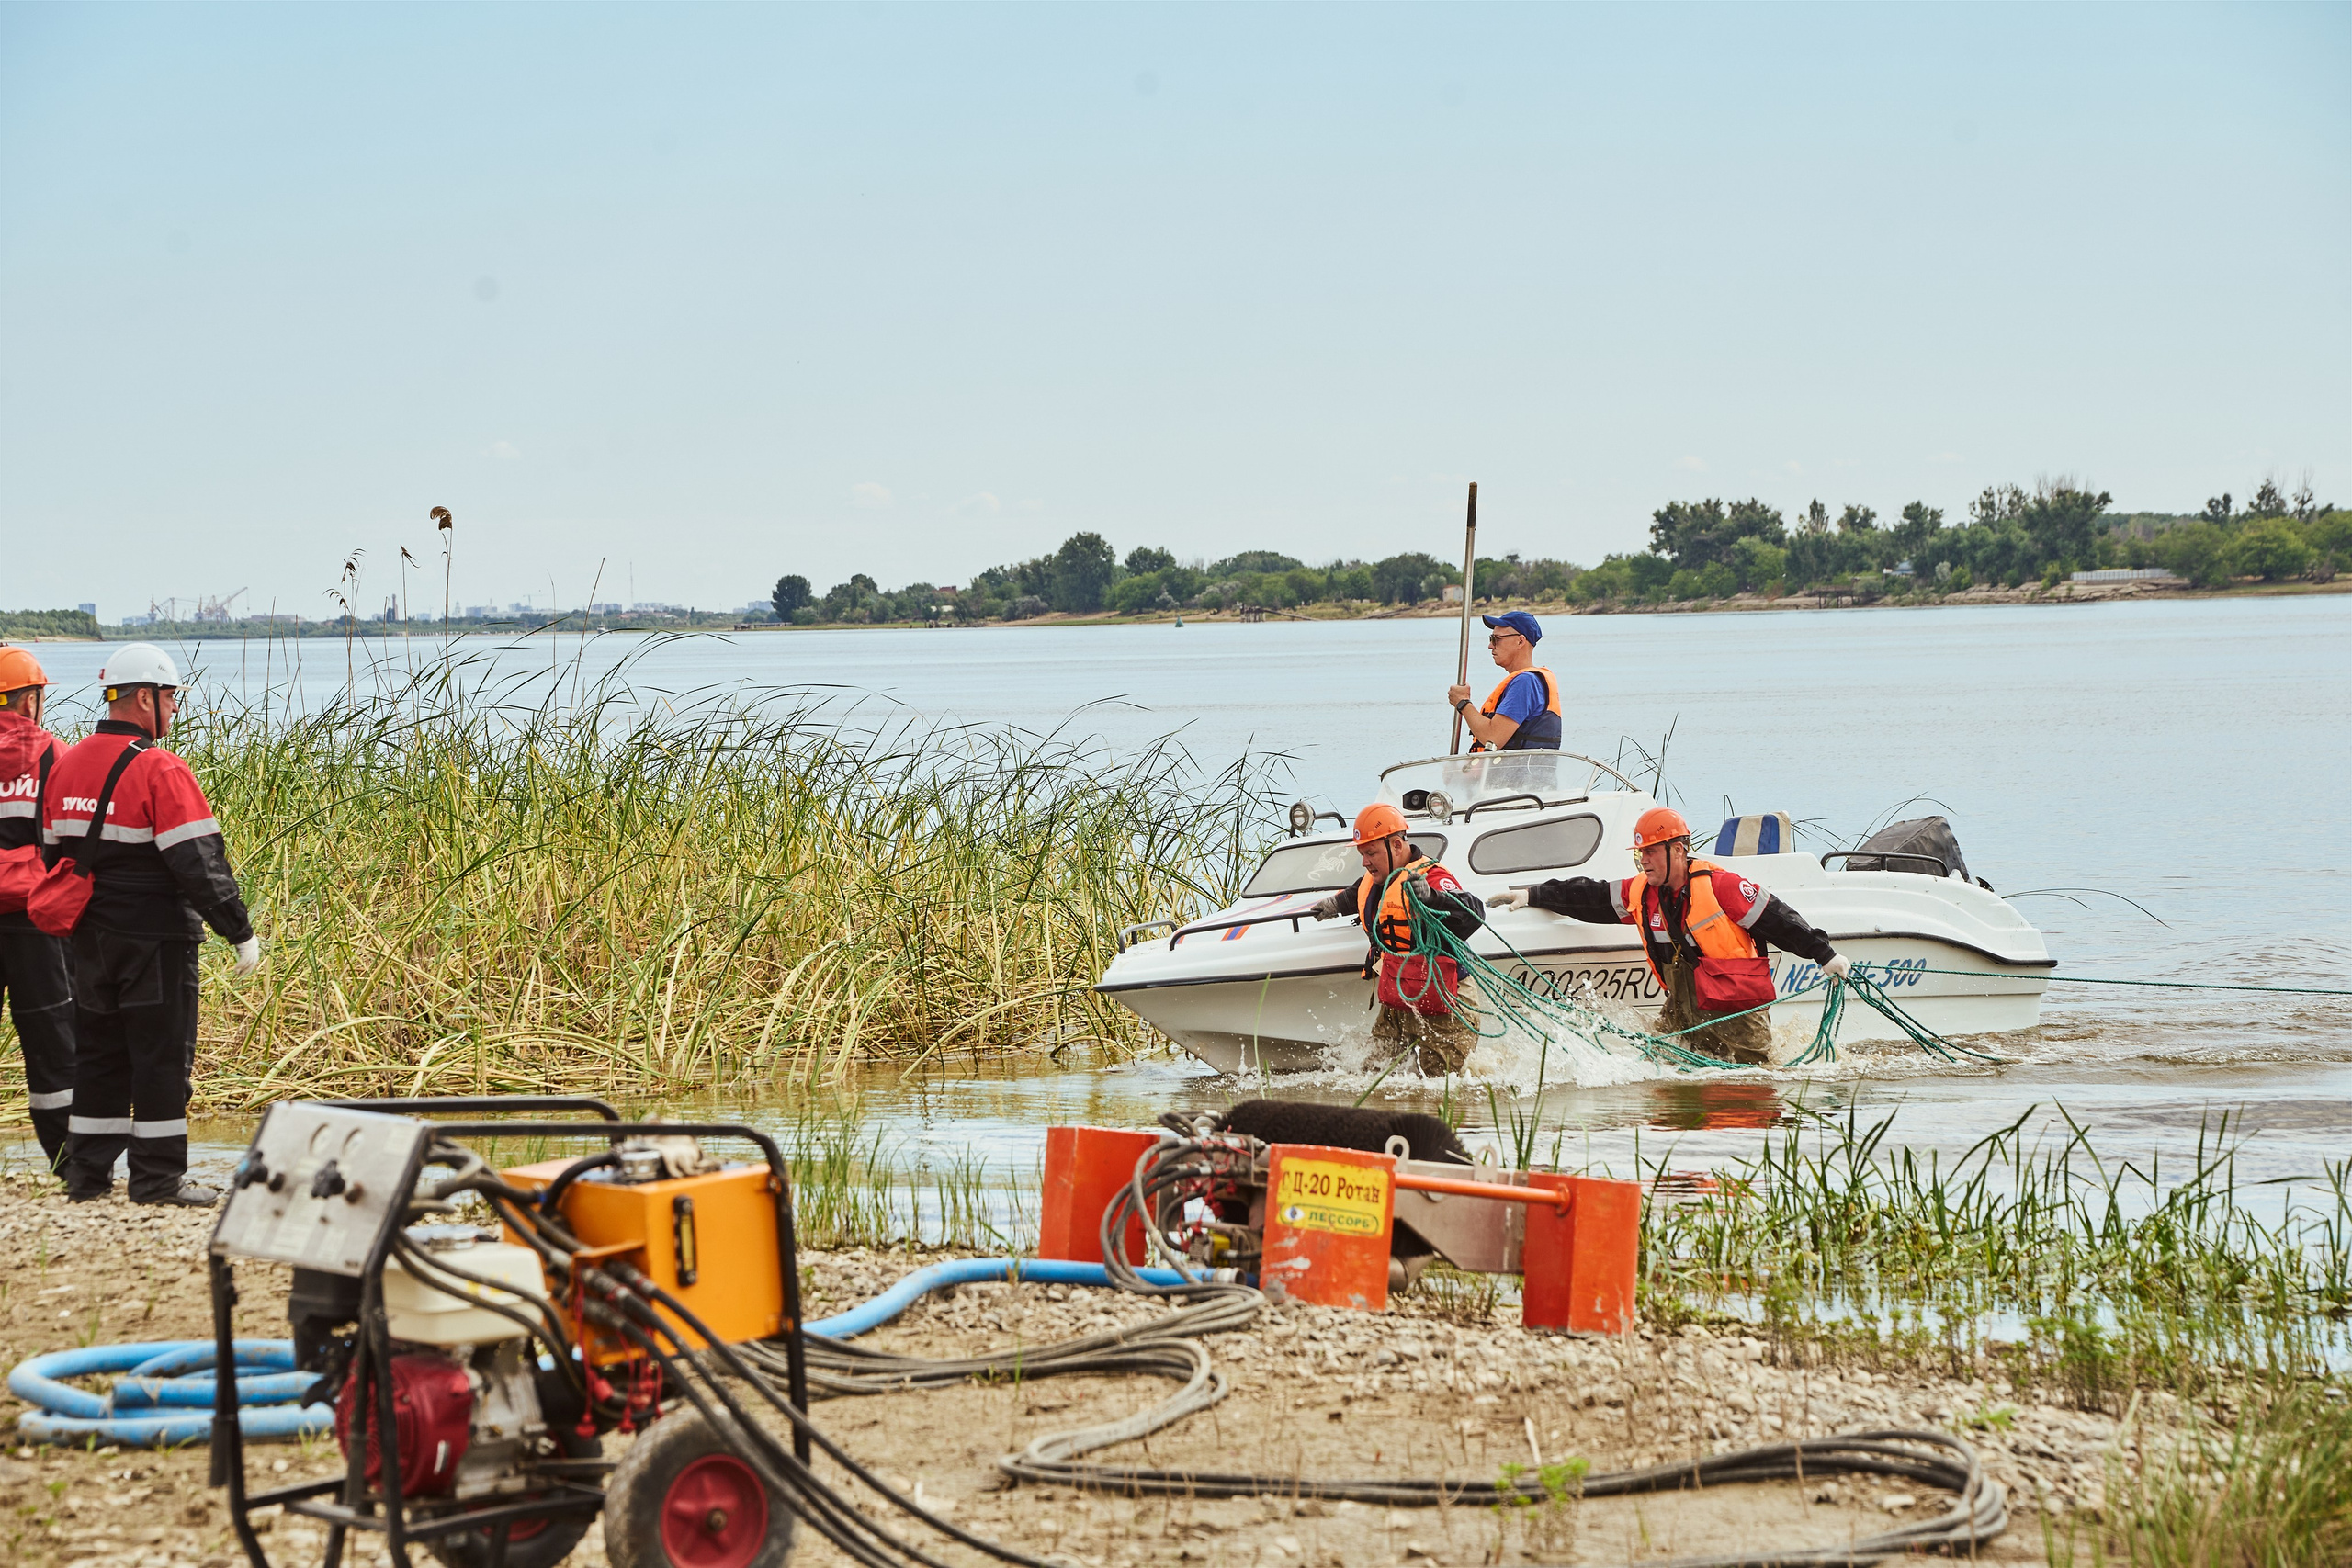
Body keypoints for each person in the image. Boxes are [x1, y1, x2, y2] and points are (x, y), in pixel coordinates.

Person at [41, 644, 258, 1206]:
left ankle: (87, 1178)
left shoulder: (66, 764)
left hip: (86, 937)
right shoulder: (160, 767)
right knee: (161, 1058)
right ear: (144, 698)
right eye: (171, 698)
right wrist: (239, 930)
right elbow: (199, 861)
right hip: (155, 939)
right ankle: (157, 1180)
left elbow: (50, 856)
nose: (176, 709)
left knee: (99, 1055)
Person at [1489, 806, 1851, 1065]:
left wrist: (1825, 955)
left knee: (1754, 1082)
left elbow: (1780, 920)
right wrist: (1533, 895)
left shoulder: (1724, 887)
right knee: (1660, 1063)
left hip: (1736, 1011)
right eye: (1639, 855)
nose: (1644, 861)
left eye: (1650, 852)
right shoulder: (1641, 892)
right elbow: (1592, 896)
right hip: (1683, 1006)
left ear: (1677, 850)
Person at [1311, 804, 1487, 1076]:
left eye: (1370, 853)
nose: (1365, 861)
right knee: (1375, 1073)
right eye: (1361, 854)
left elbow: (1474, 912)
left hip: (1447, 997)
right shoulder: (1379, 878)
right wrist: (1334, 904)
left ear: (1396, 845)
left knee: (1443, 1085)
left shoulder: (1432, 877)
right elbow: (1360, 892)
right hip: (1399, 995)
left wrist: (1431, 897)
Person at [0, 648, 76, 1172]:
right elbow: (74, 841)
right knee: (54, 1047)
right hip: (35, 920)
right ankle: (71, 1164)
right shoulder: (55, 756)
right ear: (29, 700)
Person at [1446, 610, 1561, 751]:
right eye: (1491, 639)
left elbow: (1493, 738)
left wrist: (1462, 702)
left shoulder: (1525, 682)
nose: (1491, 645)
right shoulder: (1531, 681)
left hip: (1518, 773)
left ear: (1520, 641)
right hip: (1520, 771)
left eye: (1497, 639)